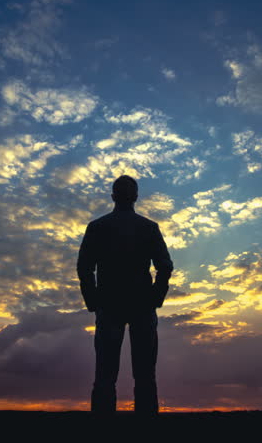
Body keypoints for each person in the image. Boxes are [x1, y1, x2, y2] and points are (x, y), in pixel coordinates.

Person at [77, 175, 173, 416]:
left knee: (105, 374)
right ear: (136, 197)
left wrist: (93, 301)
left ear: (113, 197)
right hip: (141, 305)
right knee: (144, 374)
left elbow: (84, 267)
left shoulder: (97, 227)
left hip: (109, 305)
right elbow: (165, 266)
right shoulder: (148, 228)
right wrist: (155, 298)